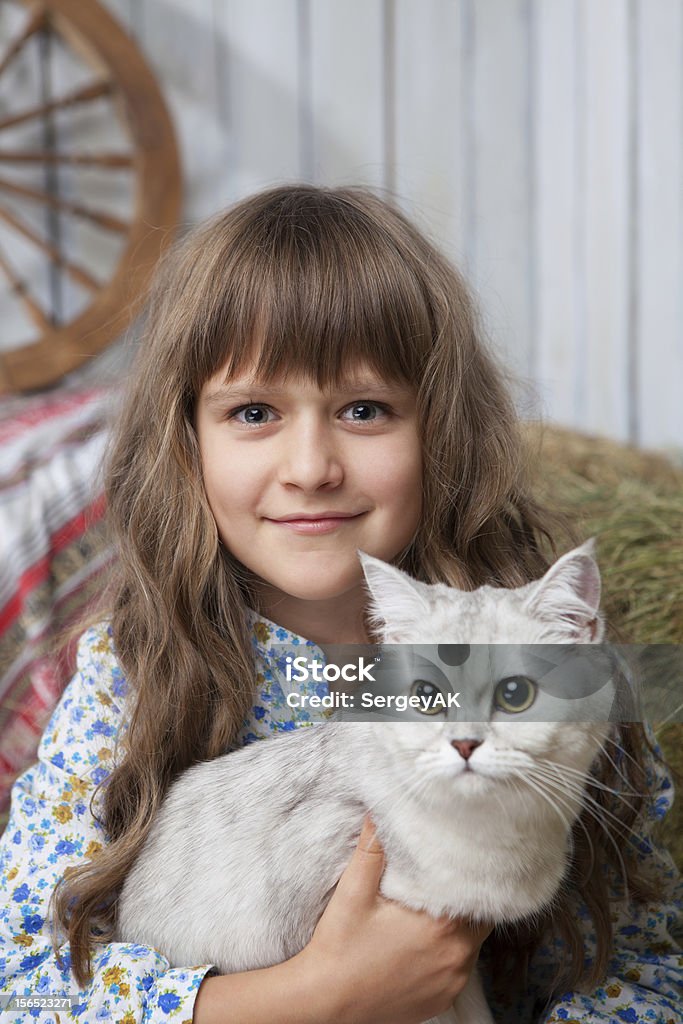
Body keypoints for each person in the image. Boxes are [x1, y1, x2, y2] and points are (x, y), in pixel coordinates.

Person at [0, 184, 680, 1024]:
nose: (311, 466)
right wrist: (315, 997)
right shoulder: (129, 681)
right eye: (253, 412)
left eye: (363, 409)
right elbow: (23, 982)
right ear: (186, 445)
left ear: (442, 430)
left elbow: (640, 966)